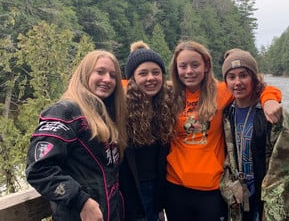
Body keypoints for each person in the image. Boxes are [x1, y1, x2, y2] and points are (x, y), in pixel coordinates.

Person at [164, 40, 282, 221]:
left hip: (211, 189)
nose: (189, 71)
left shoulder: (221, 91)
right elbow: (130, 85)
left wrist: (269, 100)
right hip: (175, 186)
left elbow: (260, 87)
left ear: (206, 66)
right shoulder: (169, 95)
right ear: (176, 69)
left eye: (195, 65)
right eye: (183, 66)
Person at [25, 50, 128, 221]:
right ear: (85, 73)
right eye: (100, 72)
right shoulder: (64, 112)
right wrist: (81, 201)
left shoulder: (108, 115)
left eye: (113, 75)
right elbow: (38, 168)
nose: (107, 79)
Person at [219, 48, 289, 221]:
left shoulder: (272, 114)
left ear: (254, 78)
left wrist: (269, 200)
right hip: (239, 201)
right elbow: (226, 156)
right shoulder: (227, 113)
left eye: (243, 75)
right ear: (225, 82)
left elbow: (288, 162)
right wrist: (228, 186)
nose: (237, 82)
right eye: (231, 77)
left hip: (269, 203)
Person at [119, 41, 176, 221]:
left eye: (156, 72)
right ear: (132, 78)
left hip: (159, 187)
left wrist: (267, 97)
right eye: (143, 73)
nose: (150, 78)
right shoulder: (120, 108)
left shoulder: (166, 103)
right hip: (130, 192)